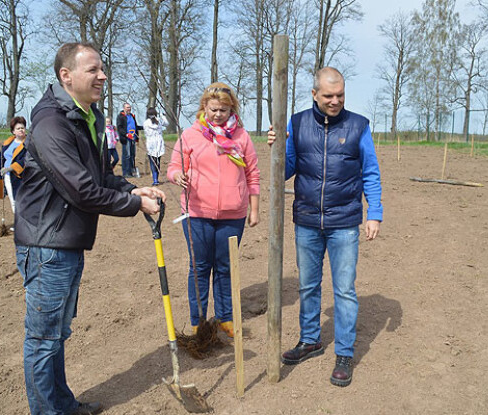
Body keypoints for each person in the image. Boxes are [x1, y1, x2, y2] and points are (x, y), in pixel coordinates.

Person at [14, 42, 165, 415]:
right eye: (93, 70)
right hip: (46, 243)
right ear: (66, 76)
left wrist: (136, 188)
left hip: (66, 240)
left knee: (58, 332)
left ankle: (61, 402)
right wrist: (135, 205)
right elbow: (81, 190)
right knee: (43, 338)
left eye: (103, 69)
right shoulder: (51, 125)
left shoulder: (88, 116)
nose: (103, 76)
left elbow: (100, 174)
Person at [267, 67, 383, 387]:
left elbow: (370, 172)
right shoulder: (297, 123)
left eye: (340, 95)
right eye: (329, 95)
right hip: (306, 220)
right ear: (315, 94)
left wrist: (375, 212)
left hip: (344, 221)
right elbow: (287, 169)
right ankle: (310, 340)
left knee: (344, 289)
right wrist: (277, 147)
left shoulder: (358, 126)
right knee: (307, 285)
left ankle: (344, 352)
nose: (335, 101)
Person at [167, 82, 260, 337]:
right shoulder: (190, 135)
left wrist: (254, 209)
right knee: (199, 266)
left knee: (225, 266)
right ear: (204, 107)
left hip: (233, 215)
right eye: (214, 109)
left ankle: (225, 318)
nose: (218, 115)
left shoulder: (242, 137)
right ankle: (198, 321)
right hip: (197, 214)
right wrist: (178, 176)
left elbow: (252, 174)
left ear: (232, 110)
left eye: (224, 110)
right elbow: (173, 166)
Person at [0, 116, 27, 214]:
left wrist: (12, 168)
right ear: (13, 131)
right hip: (7, 176)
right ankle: (18, 223)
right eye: (18, 128)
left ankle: (24, 224)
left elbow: (27, 159)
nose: (21, 130)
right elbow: (2, 158)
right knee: (13, 200)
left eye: (22, 128)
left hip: (21, 176)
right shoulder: (8, 143)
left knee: (22, 200)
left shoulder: (28, 144)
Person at [143, 107, 168, 186]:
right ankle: (156, 178)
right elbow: (167, 123)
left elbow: (146, 133)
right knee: (157, 161)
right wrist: (162, 116)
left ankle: (155, 179)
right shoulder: (159, 121)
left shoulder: (146, 123)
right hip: (159, 142)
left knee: (152, 161)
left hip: (151, 143)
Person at [117, 102, 141, 177]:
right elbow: (120, 128)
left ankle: (131, 171)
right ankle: (126, 172)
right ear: (124, 108)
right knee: (127, 155)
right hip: (126, 138)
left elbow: (136, 126)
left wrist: (145, 127)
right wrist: (126, 134)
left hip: (133, 137)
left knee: (132, 155)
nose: (129, 109)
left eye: (129, 107)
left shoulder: (132, 116)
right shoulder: (121, 116)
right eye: (127, 107)